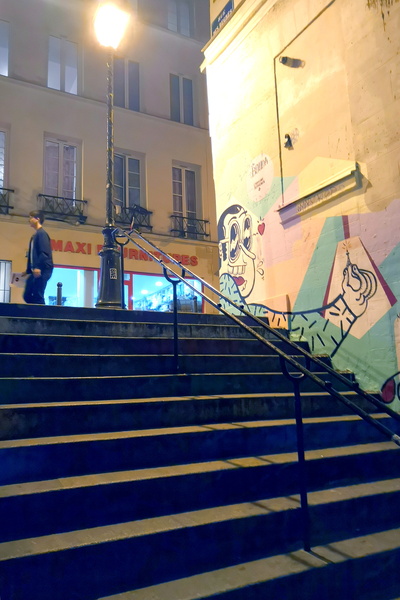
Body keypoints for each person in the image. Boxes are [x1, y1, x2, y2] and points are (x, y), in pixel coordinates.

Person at [22, 210, 53, 304]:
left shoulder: (42, 234)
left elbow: (44, 253)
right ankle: (34, 313)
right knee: (27, 295)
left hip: (42, 269)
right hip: (35, 270)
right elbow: (32, 255)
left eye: (30, 217)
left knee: (38, 295)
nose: (29, 220)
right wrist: (28, 270)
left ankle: (41, 316)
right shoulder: (35, 236)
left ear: (37, 219)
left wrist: (38, 268)